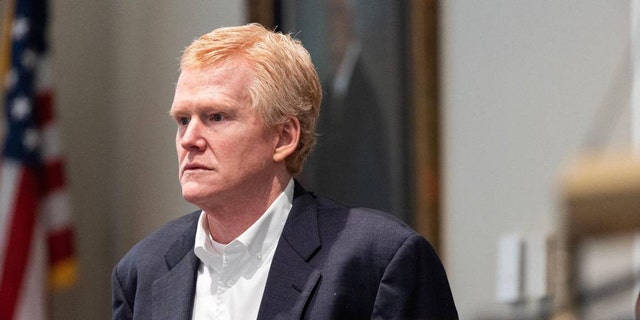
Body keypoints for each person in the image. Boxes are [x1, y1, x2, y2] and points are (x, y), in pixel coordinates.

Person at [111, 23, 458, 320]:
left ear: (284, 136)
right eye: (183, 120)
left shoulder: (378, 262)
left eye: (216, 117)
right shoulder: (142, 271)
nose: (189, 139)